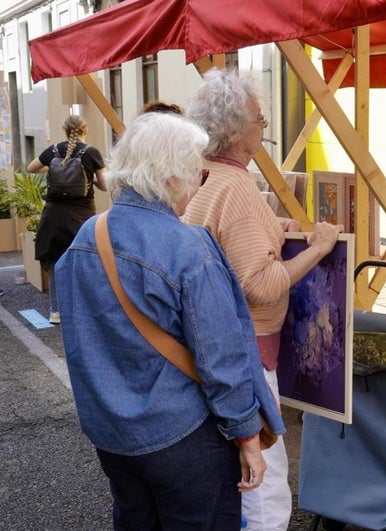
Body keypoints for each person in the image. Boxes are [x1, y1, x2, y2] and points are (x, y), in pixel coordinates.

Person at [54, 112, 285, 530]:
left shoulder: (87, 237)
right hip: (183, 436)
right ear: (171, 177)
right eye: (197, 172)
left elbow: (78, 340)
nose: (199, 183)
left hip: (111, 434)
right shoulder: (189, 248)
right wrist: (248, 437)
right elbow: (221, 357)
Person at [183, 68, 343, 531]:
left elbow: (227, 247)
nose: (265, 126)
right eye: (259, 118)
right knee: (264, 482)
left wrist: (273, 230)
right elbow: (261, 283)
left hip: (211, 345)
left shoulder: (203, 175)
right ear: (234, 130)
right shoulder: (236, 187)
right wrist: (317, 248)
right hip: (247, 351)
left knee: (234, 470)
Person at [27, 115, 107, 324]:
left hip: (54, 216)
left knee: (55, 261)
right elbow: (105, 185)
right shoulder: (91, 152)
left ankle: (55, 312)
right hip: (81, 216)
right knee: (84, 260)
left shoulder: (53, 151)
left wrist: (56, 167)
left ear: (64, 130)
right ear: (84, 130)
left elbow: (31, 168)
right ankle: (84, 310)